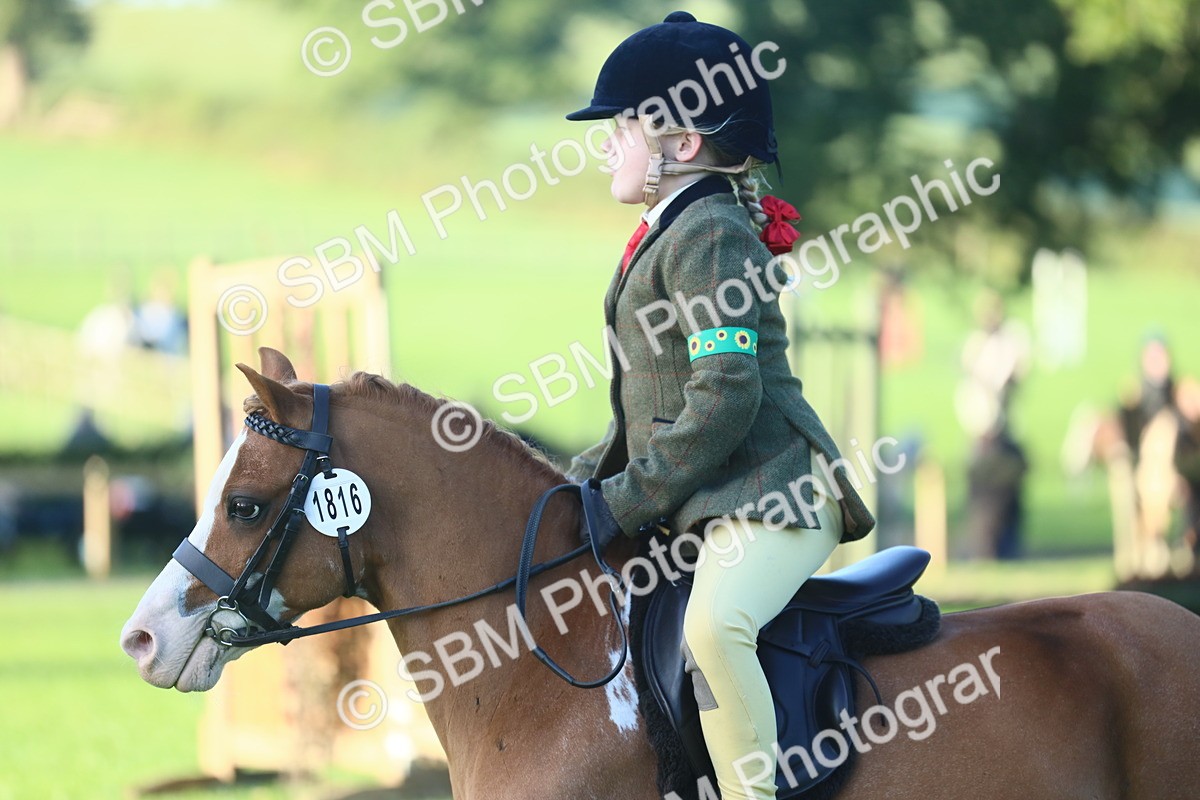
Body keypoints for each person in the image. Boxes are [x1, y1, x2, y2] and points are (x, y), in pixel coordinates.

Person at [561, 13, 875, 800]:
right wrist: (568, 486)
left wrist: (625, 500)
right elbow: (647, 412)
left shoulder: (708, 234)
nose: (607, 143)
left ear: (683, 143)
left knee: (713, 630)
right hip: (714, 497)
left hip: (777, 494)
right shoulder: (667, 230)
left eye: (622, 126)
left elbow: (725, 393)